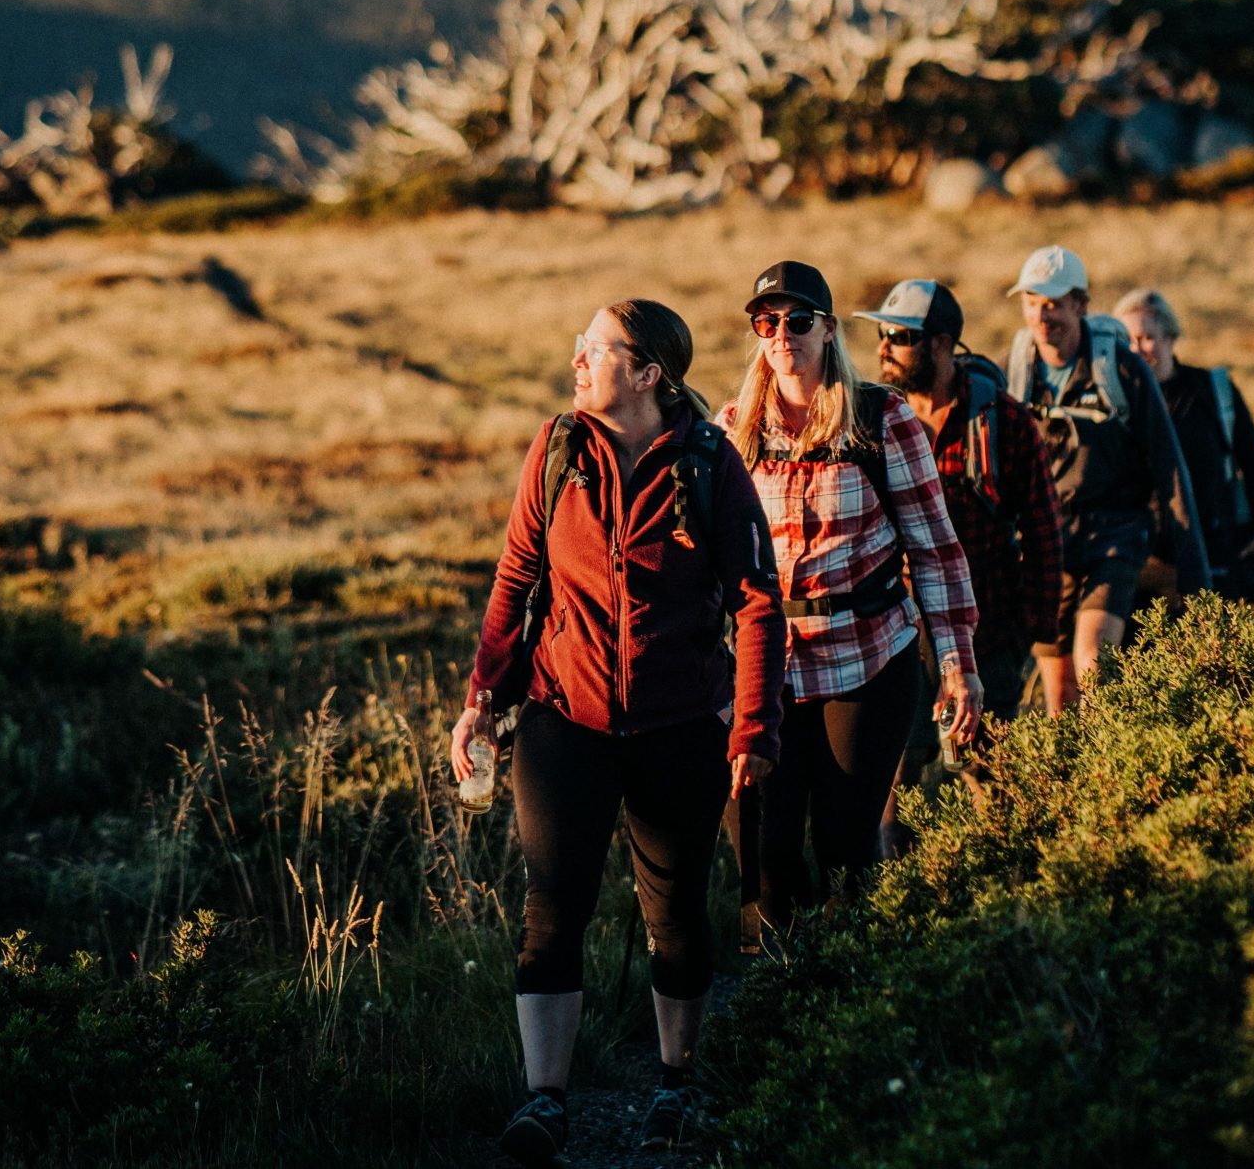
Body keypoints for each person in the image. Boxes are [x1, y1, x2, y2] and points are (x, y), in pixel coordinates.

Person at [453, 300, 784, 1165]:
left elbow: (756, 601)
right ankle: (546, 1100)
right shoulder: (558, 447)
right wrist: (482, 697)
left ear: (647, 374)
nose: (575, 357)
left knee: (673, 913)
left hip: (680, 727)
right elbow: (517, 574)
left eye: (593, 348)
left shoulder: (710, 463)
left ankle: (675, 1080)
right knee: (550, 909)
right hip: (566, 718)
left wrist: (752, 724)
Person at [722, 260, 979, 927]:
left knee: (845, 849)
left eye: (798, 319)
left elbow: (934, 547)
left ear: (829, 329)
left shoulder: (880, 419)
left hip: (864, 657)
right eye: (767, 321)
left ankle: (853, 993)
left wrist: (955, 663)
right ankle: (778, 997)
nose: (782, 334)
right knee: (766, 852)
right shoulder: (734, 432)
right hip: (766, 665)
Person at [859, 277, 1067, 856]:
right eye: (882, 333)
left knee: (985, 765)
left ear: (944, 344)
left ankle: (1000, 878)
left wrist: (1037, 630)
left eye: (900, 336)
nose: (883, 347)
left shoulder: (1005, 422)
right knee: (892, 768)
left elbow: (1046, 531)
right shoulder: (875, 422)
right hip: (895, 628)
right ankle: (884, 891)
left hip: (989, 629)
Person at [1002, 245, 1202, 713]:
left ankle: (1109, 772)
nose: (1041, 315)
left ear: (1080, 305)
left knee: (1093, 661)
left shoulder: (1121, 369)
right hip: (1047, 542)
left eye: (1053, 303)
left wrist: (1194, 572)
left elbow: (1169, 467)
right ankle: (1069, 781)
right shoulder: (1020, 367)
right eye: (1032, 302)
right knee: (1059, 690)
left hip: (1116, 535)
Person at [1115, 288, 1254, 602]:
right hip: (1146, 565)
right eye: (1127, 341)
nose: (1136, 349)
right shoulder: (1116, 402)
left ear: (1171, 338)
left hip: (1217, 553)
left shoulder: (1210, 390)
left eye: (1146, 338)